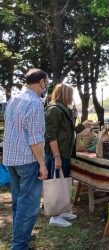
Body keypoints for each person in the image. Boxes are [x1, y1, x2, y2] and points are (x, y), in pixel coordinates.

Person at [4, 68, 49, 249]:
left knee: (18, 203)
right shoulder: (35, 102)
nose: (46, 85)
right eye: (46, 82)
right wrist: (42, 164)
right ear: (41, 82)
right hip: (27, 160)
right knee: (29, 207)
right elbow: (34, 138)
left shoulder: (14, 98)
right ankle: (20, 245)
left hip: (11, 159)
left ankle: (20, 239)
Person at [44, 83, 77, 227]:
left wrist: (83, 126)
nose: (72, 97)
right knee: (55, 182)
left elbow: (68, 132)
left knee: (63, 182)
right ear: (65, 94)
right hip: (57, 153)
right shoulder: (54, 110)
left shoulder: (63, 109)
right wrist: (56, 156)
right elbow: (51, 135)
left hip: (64, 152)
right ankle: (54, 216)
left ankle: (62, 211)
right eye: (71, 94)